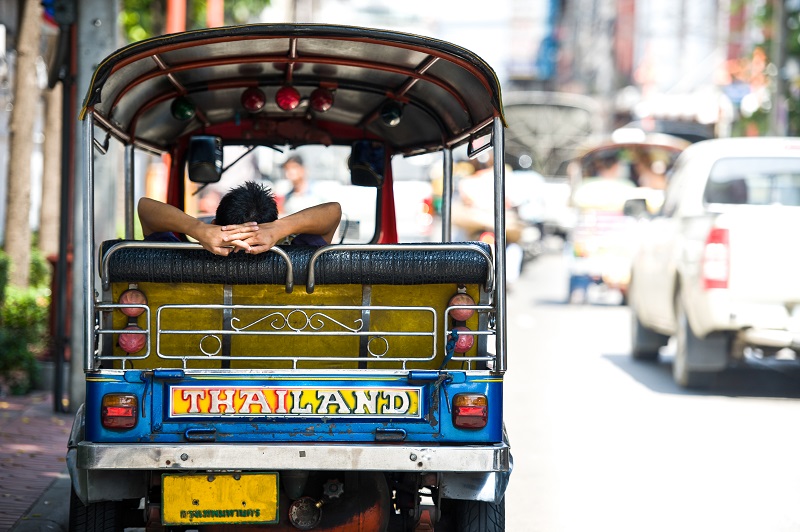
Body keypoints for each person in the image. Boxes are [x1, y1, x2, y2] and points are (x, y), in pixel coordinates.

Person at [138, 181, 341, 256]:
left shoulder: (184, 259)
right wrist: (279, 229)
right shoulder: (293, 258)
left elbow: (145, 208)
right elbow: (333, 212)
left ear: (215, 226)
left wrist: (198, 229)